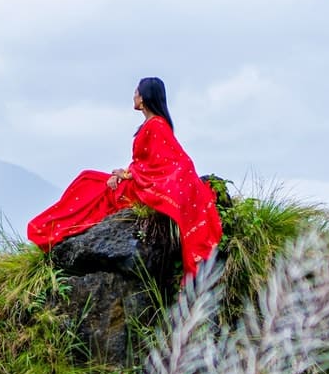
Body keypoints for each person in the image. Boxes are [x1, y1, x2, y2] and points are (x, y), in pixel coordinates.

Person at [27, 77, 222, 280]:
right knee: (87, 178)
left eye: (137, 92)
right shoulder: (152, 124)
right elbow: (146, 162)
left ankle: (49, 229)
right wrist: (124, 174)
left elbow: (166, 164)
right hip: (137, 180)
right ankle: (50, 228)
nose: (134, 96)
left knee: (90, 185)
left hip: (142, 187)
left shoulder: (157, 126)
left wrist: (126, 176)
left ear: (144, 97)